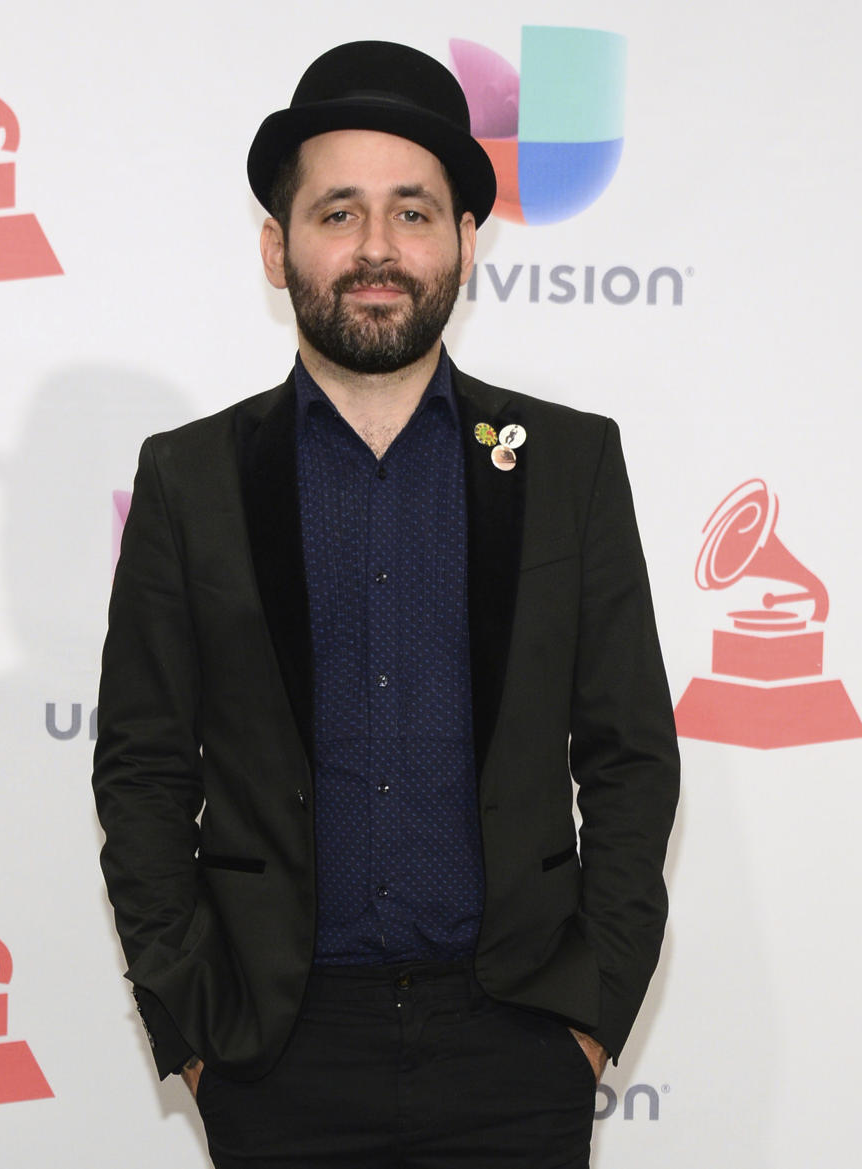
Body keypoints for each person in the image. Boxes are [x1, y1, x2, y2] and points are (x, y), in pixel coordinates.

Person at [92, 40, 680, 1169]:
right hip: (276, 1053)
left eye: (413, 212)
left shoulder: (568, 464)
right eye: (338, 212)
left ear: (466, 240)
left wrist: (590, 1017)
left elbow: (630, 755)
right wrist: (199, 1028)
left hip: (518, 1048)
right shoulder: (190, 479)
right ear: (278, 245)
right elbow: (144, 768)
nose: (376, 249)